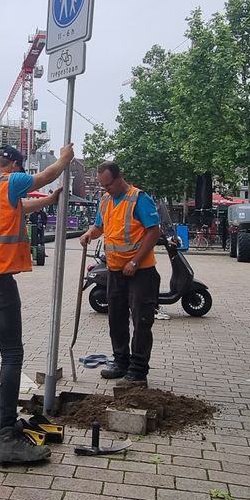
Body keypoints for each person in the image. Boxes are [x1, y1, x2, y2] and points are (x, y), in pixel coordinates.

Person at [0, 142, 74, 464]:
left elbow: (16, 210)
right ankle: (8, 436)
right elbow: (47, 174)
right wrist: (65, 159)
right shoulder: (12, 180)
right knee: (11, 354)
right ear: (15, 166)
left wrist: (49, 202)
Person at [77, 161, 163, 390]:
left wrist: (135, 261)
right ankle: (121, 361)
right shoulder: (105, 201)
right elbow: (99, 227)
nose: (106, 190)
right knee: (116, 319)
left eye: (109, 185)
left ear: (119, 178)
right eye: (103, 186)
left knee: (141, 320)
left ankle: (138, 371)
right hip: (115, 270)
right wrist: (89, 234)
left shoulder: (139, 198)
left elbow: (154, 231)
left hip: (140, 271)